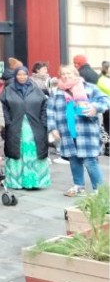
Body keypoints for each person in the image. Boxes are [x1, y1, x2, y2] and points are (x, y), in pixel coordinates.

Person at [47, 65, 110, 197]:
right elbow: (50, 111)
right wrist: (52, 128)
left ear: (75, 74)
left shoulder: (88, 87)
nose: (66, 76)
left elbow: (105, 100)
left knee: (90, 161)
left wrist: (95, 108)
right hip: (67, 130)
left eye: (69, 73)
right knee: (74, 159)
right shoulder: (56, 91)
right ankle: (78, 186)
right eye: (63, 74)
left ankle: (99, 190)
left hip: (86, 131)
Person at [0, 66, 51, 190]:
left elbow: (45, 106)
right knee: (17, 152)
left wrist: (44, 122)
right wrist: (8, 122)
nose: (21, 77)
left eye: (24, 74)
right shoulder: (8, 90)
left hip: (35, 127)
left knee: (34, 152)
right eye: (19, 75)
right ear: (15, 76)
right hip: (15, 127)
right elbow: (2, 107)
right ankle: (15, 182)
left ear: (28, 75)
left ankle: (35, 182)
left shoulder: (36, 89)